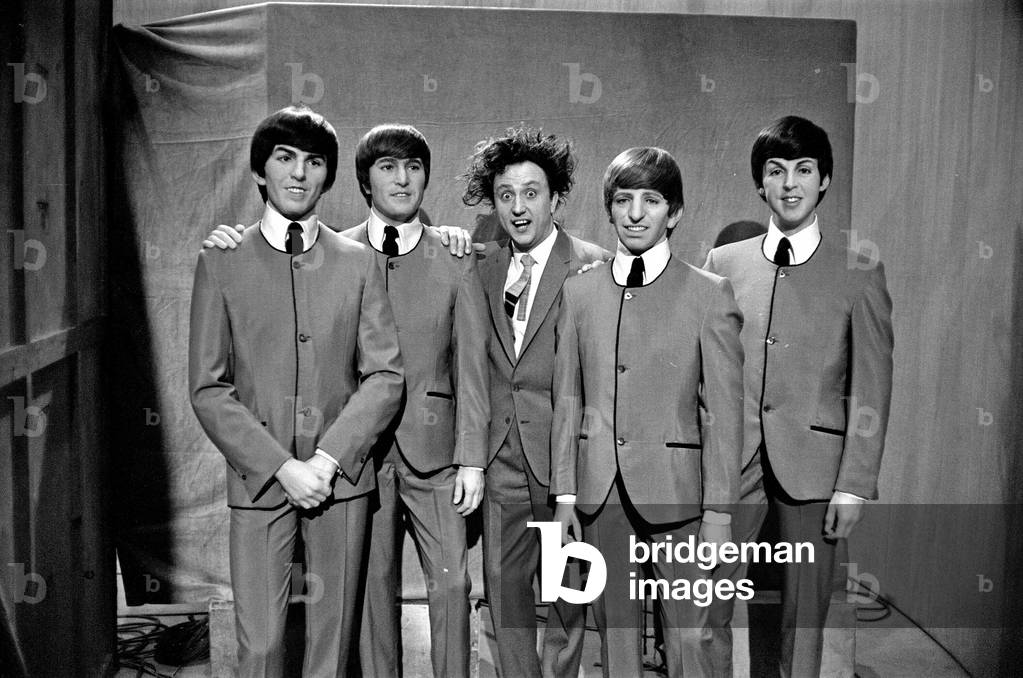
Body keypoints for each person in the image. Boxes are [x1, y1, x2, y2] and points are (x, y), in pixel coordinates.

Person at [188, 105, 404, 677]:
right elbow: (208, 387)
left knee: (332, 649)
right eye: (285, 158)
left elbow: (385, 376)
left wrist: (327, 461)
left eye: (314, 161)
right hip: (259, 483)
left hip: (342, 483)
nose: (299, 173)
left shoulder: (359, 262)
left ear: (328, 176)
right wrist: (283, 468)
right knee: (260, 648)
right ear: (260, 171)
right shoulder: (222, 260)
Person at [704, 115, 894, 677]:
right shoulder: (723, 264)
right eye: (776, 170)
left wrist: (854, 485)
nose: (790, 184)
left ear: (824, 180)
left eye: (804, 170)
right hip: (732, 467)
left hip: (815, 474)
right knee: (703, 607)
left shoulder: (860, 272)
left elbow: (872, 386)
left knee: (799, 623)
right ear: (760, 182)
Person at [550, 146, 744, 678]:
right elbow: (567, 400)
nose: (635, 213)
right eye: (623, 200)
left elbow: (724, 415)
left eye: (651, 200)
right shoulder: (579, 293)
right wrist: (565, 496)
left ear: (674, 213)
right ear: (609, 209)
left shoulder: (709, 294)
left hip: (680, 498)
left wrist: (719, 514)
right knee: (615, 643)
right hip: (600, 494)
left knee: (691, 642)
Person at [340, 123, 489, 678]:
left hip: (438, 455)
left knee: (452, 585)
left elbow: (472, 367)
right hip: (362, 458)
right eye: (388, 167)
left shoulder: (455, 255)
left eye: (414, 167)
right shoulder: (334, 252)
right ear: (365, 181)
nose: (403, 179)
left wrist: (471, 458)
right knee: (370, 592)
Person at [462, 126, 610, 678]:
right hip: (501, 456)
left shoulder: (595, 264)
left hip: (566, 459)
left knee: (570, 594)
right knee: (505, 597)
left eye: (531, 193)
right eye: (506, 195)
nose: (518, 208)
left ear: (556, 198)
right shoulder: (481, 264)